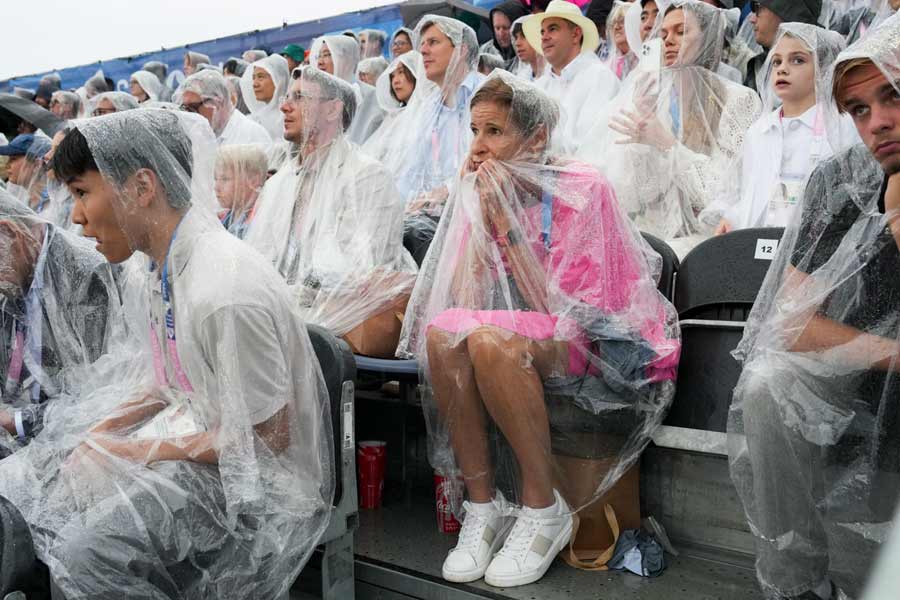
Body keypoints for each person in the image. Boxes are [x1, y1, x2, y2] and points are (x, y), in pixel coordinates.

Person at [0, 107, 334, 598]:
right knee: (30, 485)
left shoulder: (223, 288)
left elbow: (270, 438)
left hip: (261, 489)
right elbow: (166, 380)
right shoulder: (158, 266)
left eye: (81, 193)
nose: (74, 216)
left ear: (142, 186)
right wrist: (98, 435)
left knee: (86, 553)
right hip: (205, 450)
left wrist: (140, 451)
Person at [397, 71, 679, 588]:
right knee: (442, 334)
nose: (479, 148)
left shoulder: (581, 187)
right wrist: (478, 217)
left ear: (537, 138)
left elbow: (565, 306)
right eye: (475, 132)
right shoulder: (489, 189)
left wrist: (504, 228)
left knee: (490, 340)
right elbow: (461, 299)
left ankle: (542, 506)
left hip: (605, 339)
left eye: (494, 132)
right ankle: (484, 507)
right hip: (537, 330)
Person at [728, 12, 900, 599]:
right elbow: (790, 322)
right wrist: (892, 354)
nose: (879, 123)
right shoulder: (839, 181)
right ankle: (800, 584)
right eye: (859, 110)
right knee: (766, 384)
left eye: (893, 95)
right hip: (861, 368)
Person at [246, 68, 417, 358]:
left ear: (332, 109)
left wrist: (288, 296)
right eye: (287, 97)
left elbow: (362, 272)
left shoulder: (367, 176)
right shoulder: (279, 183)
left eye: (299, 98)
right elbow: (258, 258)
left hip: (341, 317)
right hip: (287, 311)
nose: (285, 106)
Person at [582, 0, 761, 257]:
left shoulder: (739, 100)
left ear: (708, 36)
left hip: (708, 239)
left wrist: (667, 144)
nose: (668, 40)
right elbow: (631, 197)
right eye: (663, 33)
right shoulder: (654, 98)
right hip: (654, 235)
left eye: (681, 31)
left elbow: (723, 195)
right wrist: (639, 144)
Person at [0, 191, 120, 456]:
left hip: (77, 446)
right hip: (30, 435)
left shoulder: (84, 274)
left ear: (8, 233)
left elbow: (97, 395)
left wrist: (18, 421)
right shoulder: (14, 277)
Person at [713, 25, 858, 232]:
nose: (782, 68)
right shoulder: (758, 131)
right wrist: (732, 219)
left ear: (824, 69)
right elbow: (750, 195)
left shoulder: (842, 126)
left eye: (797, 60)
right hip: (756, 246)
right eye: (776, 61)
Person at [379, 15, 484, 216]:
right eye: (423, 44)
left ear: (461, 50)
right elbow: (411, 170)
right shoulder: (429, 107)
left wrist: (448, 190)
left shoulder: (486, 93)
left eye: (433, 42)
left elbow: (494, 162)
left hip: (478, 218)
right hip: (433, 219)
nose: (423, 50)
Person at [524, 0, 621, 154]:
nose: (544, 37)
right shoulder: (539, 86)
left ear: (575, 34)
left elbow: (590, 146)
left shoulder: (600, 78)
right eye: (542, 32)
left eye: (552, 29)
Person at [310, 35, 385, 144]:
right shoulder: (317, 98)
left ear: (346, 59)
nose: (320, 62)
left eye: (327, 55)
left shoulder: (369, 96)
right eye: (318, 56)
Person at [363, 52, 430, 163]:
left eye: (401, 72)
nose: (395, 81)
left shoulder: (427, 113)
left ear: (416, 73)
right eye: (392, 76)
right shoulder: (393, 117)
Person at [745, 0, 823, 92]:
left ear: (786, 12)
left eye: (757, 8)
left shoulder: (821, 73)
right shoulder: (759, 67)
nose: (752, 19)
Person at [181, 70, 271, 146]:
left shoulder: (252, 135)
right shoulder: (197, 134)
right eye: (184, 108)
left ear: (218, 102)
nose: (190, 115)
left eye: (193, 107)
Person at [215, 144, 267, 239]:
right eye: (216, 179)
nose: (216, 187)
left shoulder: (261, 224)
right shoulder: (226, 218)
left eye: (225, 179)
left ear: (254, 180)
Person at [239, 54, 291, 140]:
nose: (255, 84)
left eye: (261, 77)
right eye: (253, 78)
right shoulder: (253, 119)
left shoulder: (289, 117)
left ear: (278, 80)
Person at [481, 1, 531, 66]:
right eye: (497, 28)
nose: (501, 34)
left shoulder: (528, 55)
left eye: (506, 28)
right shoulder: (486, 50)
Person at [604, 1, 639, 80]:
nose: (616, 27)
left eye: (622, 21)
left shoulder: (644, 60)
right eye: (613, 23)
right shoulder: (608, 66)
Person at [510, 16, 546, 80]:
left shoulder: (556, 74)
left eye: (524, 36)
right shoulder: (521, 79)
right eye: (516, 38)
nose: (517, 43)